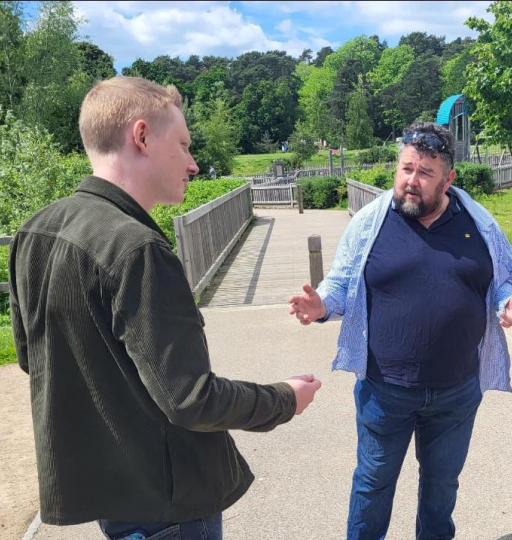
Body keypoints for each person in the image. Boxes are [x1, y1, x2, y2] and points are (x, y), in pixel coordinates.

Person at [7, 76, 322, 540]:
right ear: (141, 137)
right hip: (166, 504)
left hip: (113, 496)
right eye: (183, 144)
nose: (193, 164)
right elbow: (191, 399)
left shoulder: (34, 231)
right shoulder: (137, 248)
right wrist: (284, 399)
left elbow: (32, 359)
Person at [288, 121, 512, 540]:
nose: (410, 182)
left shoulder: (480, 222)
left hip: (457, 391)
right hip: (385, 391)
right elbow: (342, 283)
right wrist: (322, 306)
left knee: (441, 488)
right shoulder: (371, 222)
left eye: (424, 173)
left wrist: (507, 303)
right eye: (405, 169)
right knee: (373, 484)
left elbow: (503, 279)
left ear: (449, 179)